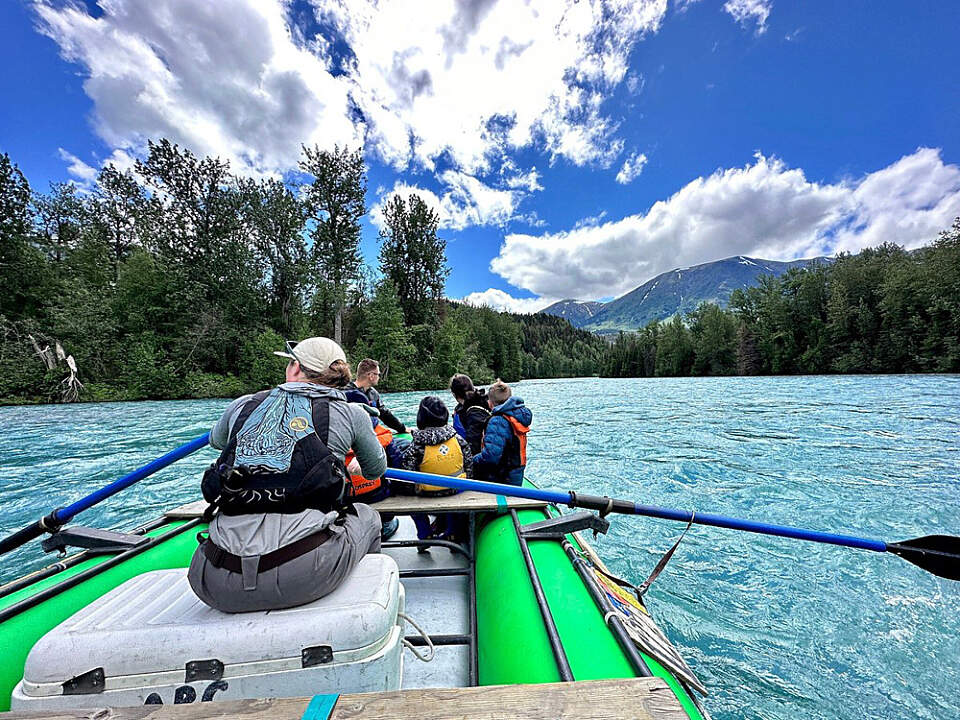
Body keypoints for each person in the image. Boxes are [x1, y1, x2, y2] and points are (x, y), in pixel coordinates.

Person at [188, 337, 387, 613]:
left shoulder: (243, 405)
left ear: (294, 369)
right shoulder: (352, 413)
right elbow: (377, 470)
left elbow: (217, 441)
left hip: (214, 577)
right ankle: (360, 610)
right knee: (369, 516)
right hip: (306, 573)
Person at [402, 396, 473, 543]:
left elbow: (407, 473)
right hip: (456, 489)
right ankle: (452, 531)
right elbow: (469, 466)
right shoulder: (458, 439)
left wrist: (409, 490)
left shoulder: (417, 445)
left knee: (411, 504)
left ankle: (424, 533)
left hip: (427, 493)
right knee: (453, 506)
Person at [472, 379, 532, 487]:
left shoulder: (497, 421)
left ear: (490, 403)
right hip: (516, 472)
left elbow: (491, 456)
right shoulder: (517, 415)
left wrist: (473, 459)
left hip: (501, 476)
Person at [346, 359, 407, 434]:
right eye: (378, 374)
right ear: (371, 376)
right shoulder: (346, 393)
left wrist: (402, 428)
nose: (379, 377)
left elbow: (385, 414)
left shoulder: (373, 393)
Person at [449, 373, 491, 457]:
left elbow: (474, 445)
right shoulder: (486, 401)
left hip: (478, 460)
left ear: (454, 394)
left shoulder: (473, 413)